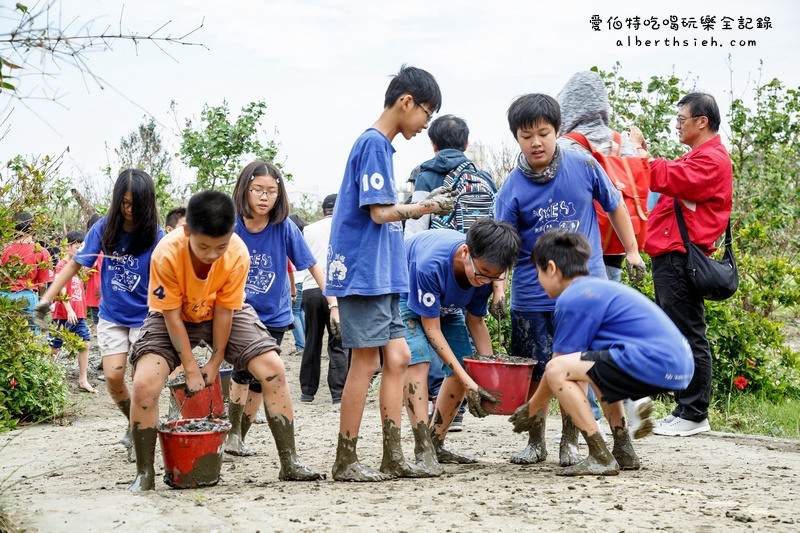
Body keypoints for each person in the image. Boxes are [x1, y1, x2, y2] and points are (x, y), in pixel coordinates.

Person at [127, 190, 324, 491]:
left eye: (219, 247)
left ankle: (290, 462)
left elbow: (224, 312)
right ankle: (145, 473)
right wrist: (191, 368)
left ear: (231, 234)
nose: (210, 255)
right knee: (144, 382)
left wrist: (216, 361)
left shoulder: (237, 252)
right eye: (203, 246)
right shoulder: (165, 254)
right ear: (187, 231)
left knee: (273, 368)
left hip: (221, 312)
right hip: (175, 315)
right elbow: (171, 318)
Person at [492, 93, 644, 468]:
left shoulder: (583, 164)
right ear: (517, 138)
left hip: (583, 292)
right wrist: (497, 288)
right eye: (526, 136)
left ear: (557, 131)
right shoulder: (511, 187)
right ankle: (535, 442)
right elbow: (503, 246)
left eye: (543, 133)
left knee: (581, 368)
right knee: (536, 372)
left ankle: (575, 442)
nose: (536, 143)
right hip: (531, 294)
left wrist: (633, 251)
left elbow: (616, 206)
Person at [326, 64, 457, 482]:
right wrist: (427, 207)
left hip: (383, 272)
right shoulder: (374, 145)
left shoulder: (381, 147)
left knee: (398, 356)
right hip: (363, 273)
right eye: (426, 112)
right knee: (365, 362)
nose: (425, 124)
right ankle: (346, 459)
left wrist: (420, 204)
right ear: (406, 102)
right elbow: (380, 212)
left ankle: (392, 455)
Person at [509, 229, 693, 476]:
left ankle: (599, 454)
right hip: (680, 364)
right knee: (593, 368)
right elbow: (588, 365)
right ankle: (623, 450)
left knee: (556, 370)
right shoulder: (595, 289)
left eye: (538, 272)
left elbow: (557, 368)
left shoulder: (574, 297)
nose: (539, 280)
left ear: (551, 268)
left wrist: (531, 408)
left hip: (656, 361)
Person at [36, 170, 163, 463]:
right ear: (118, 200)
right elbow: (73, 265)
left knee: (141, 379)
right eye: (126, 203)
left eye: (137, 204)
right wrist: (46, 299)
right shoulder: (103, 229)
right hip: (112, 315)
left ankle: (142, 436)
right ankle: (133, 422)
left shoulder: (157, 235)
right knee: (113, 377)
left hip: (147, 317)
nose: (131, 210)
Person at [628, 92, 732, 437]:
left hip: (680, 258)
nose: (677, 125)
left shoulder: (712, 159)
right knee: (678, 331)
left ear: (702, 121)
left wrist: (642, 153)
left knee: (688, 334)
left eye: (681, 119)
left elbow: (667, 177)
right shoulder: (698, 156)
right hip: (671, 256)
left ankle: (694, 413)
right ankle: (684, 408)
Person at [556, 70, 652, 438]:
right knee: (610, 326)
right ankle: (631, 395)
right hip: (618, 252)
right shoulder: (622, 143)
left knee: (584, 334)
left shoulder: (569, 146)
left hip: (584, 255)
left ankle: (598, 409)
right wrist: (633, 250)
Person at [224, 160, 333, 457]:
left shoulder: (283, 227)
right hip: (239, 312)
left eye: (271, 191)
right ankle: (231, 433)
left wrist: (333, 301)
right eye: (257, 189)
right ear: (245, 190)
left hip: (274, 314)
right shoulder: (231, 226)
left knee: (260, 379)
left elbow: (311, 264)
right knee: (242, 372)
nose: (264, 197)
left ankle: (238, 437)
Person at [402, 219, 520, 474]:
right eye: (482, 273)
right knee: (419, 360)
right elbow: (431, 328)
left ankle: (436, 442)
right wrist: (469, 382)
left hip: (446, 306)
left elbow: (476, 322)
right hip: (405, 296)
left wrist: (489, 377)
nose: (486, 281)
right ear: (466, 252)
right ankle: (422, 448)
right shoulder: (430, 265)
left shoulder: (485, 275)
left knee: (464, 365)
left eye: (494, 277)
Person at [404, 114, 496, 236]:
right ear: (466, 144)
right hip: (480, 252)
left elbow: (415, 232)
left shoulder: (426, 177)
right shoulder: (484, 177)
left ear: (433, 144)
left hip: (440, 252)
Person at [299, 194, 349, 404]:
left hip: (311, 289)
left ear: (322, 211)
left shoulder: (308, 229)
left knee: (312, 340)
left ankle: (307, 392)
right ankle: (338, 394)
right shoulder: (345, 227)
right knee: (338, 342)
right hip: (338, 290)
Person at [48, 230, 95, 393]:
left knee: (85, 343)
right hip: (63, 314)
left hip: (79, 313)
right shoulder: (62, 265)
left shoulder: (78, 265)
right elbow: (60, 287)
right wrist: (68, 309)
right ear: (68, 246)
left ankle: (83, 380)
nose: (80, 249)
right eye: (77, 246)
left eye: (83, 247)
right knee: (55, 347)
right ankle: (47, 377)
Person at [1, 213, 53, 325]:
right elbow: (42, 285)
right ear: (33, 228)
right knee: (30, 336)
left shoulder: (4, 250)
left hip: (4, 296)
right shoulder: (41, 251)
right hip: (27, 296)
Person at [288, 213, 308, 355]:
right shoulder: (305, 239)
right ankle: (305, 343)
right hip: (305, 281)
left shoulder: (290, 240)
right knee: (301, 311)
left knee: (294, 313)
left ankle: (301, 346)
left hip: (295, 280)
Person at [84, 213, 102, 335]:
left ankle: (97, 329)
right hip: (104, 287)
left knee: (96, 310)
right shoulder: (106, 248)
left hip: (95, 285)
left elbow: (88, 267)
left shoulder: (92, 249)